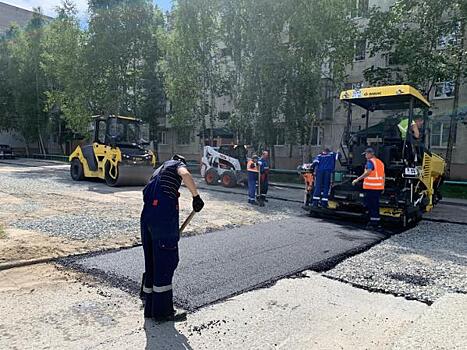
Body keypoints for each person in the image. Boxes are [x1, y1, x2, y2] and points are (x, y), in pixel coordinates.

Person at [140, 154, 204, 322]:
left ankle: (149, 302)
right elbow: (186, 175)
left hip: (147, 217)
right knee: (166, 261)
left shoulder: (159, 171)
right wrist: (196, 196)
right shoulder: (177, 165)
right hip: (162, 219)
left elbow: (146, 192)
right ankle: (162, 312)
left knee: (152, 260)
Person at [352, 147, 385, 229]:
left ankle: (373, 223)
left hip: (371, 188)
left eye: (366, 154)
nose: (365, 156)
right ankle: (376, 222)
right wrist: (383, 186)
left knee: (371, 205)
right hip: (378, 188)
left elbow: (368, 172)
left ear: (370, 154)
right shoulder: (380, 162)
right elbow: (383, 175)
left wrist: (357, 179)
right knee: (375, 205)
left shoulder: (370, 162)